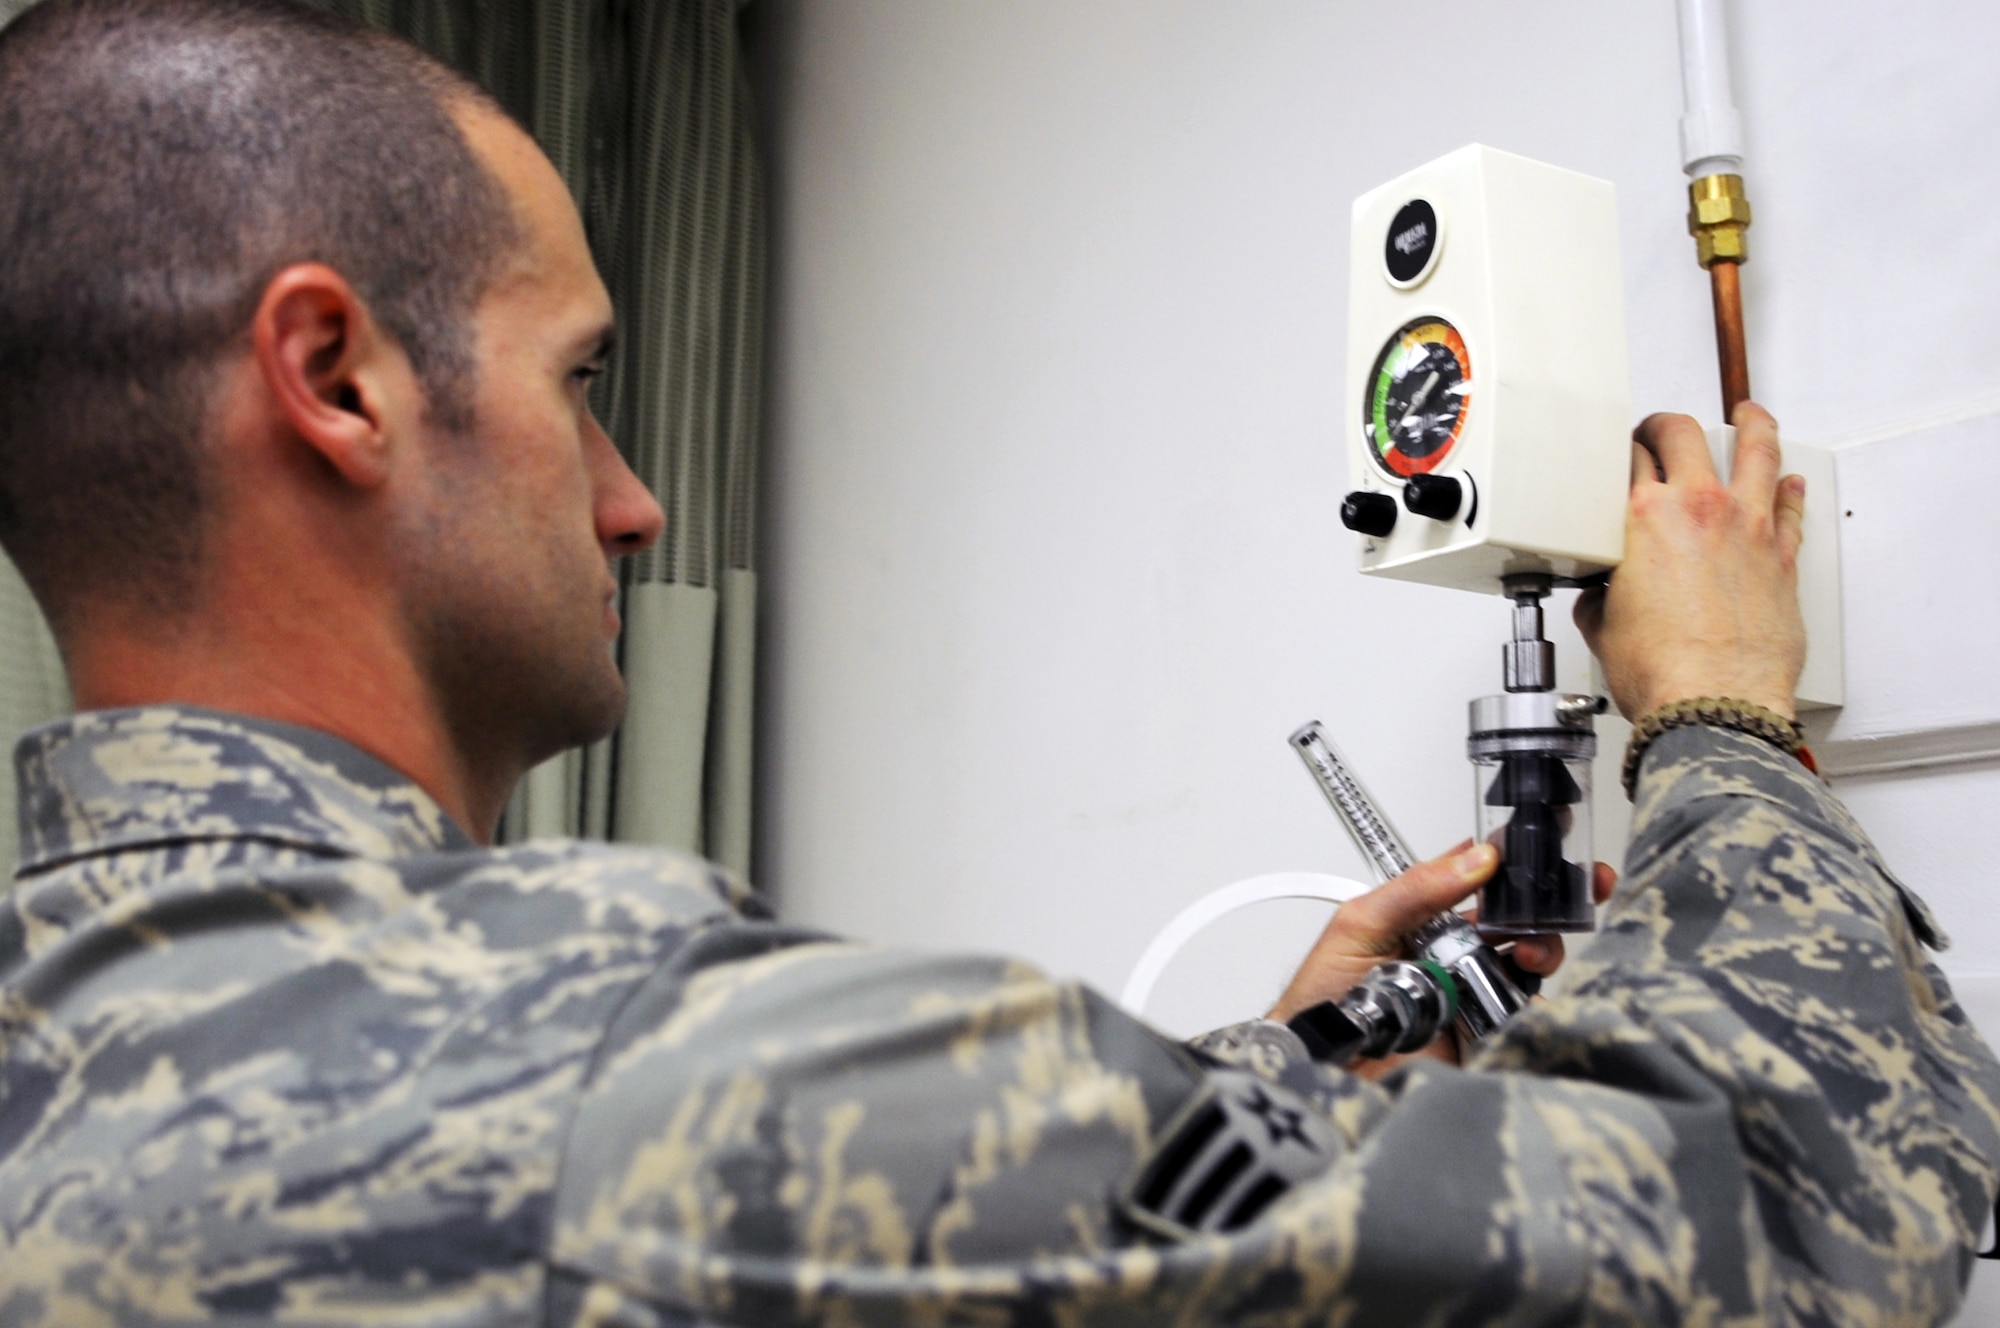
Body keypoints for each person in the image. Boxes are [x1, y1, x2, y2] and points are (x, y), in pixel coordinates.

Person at [0, 0, 1993, 1323]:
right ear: (335, 378)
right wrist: (1724, 719)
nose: (635, 503)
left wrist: (1278, 1071)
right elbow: (1795, 1226)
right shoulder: (619, 1063)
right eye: (579, 381)